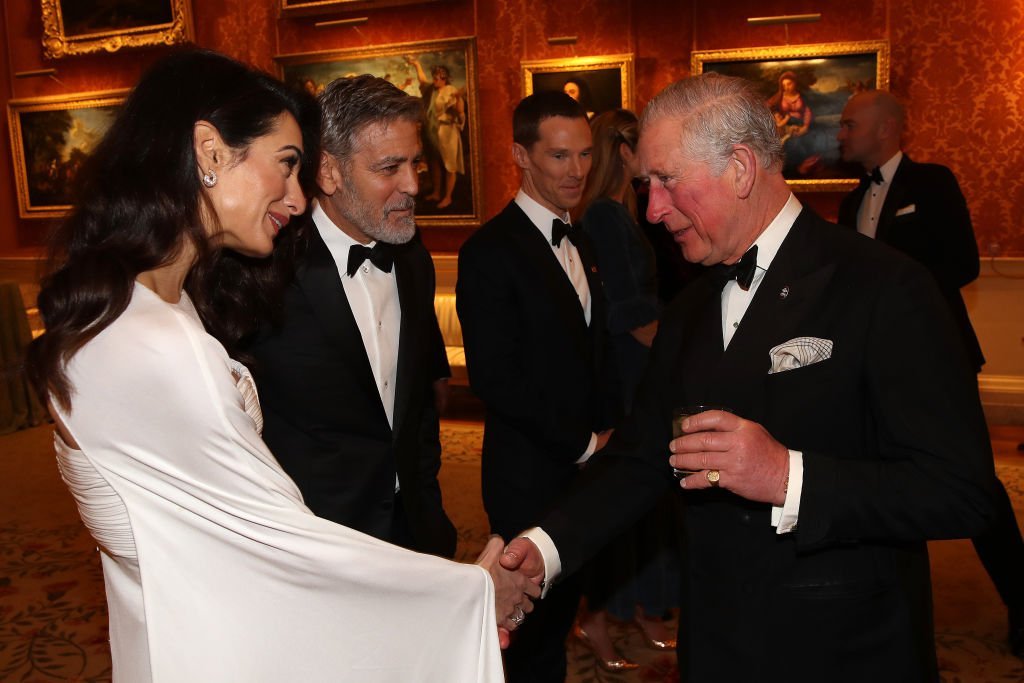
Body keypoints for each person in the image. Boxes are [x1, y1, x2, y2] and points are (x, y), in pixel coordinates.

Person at [25, 49, 538, 682]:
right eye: (287, 165)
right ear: (211, 153)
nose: (297, 200)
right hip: (220, 640)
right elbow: (278, 542)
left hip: (196, 622)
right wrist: (469, 593)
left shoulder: (155, 308)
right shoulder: (156, 341)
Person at [501, 73, 1000, 682]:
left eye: (666, 182)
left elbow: (959, 492)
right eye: (645, 186)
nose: (653, 209)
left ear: (739, 168)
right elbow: (639, 458)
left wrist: (787, 475)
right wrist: (542, 549)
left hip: (845, 651)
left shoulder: (886, 288)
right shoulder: (688, 310)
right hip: (717, 643)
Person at [837, 88, 1024, 658]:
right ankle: (889, 608)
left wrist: (896, 298)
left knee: (973, 481)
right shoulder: (849, 203)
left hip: (937, 357)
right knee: (883, 484)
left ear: (888, 128)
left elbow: (962, 262)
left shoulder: (933, 183)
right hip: (868, 366)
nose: (840, 134)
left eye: (850, 124)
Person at [245, 75, 457, 558]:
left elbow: (417, 404)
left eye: (416, 163)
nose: (413, 185)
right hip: (318, 541)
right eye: (390, 168)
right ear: (328, 173)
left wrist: (424, 495)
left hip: (415, 530)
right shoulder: (264, 270)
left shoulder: (412, 256)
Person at [456, 90, 611, 682]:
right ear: (521, 155)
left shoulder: (585, 239)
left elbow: (595, 353)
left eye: (586, 155)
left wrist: (609, 442)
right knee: (524, 636)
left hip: (584, 473)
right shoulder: (489, 251)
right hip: (526, 476)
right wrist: (585, 443)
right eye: (559, 156)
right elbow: (497, 379)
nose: (577, 171)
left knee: (560, 618)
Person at [573, 108, 678, 671]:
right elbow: (631, 311)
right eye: (645, 148)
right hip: (631, 364)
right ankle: (595, 616)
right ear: (625, 150)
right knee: (631, 489)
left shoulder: (620, 210)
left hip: (637, 360)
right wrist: (677, 358)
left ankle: (639, 606)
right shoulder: (606, 217)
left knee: (648, 493)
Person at [409, 57, 465, 210]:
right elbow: (422, 80)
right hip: (433, 132)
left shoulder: (451, 91)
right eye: (433, 77)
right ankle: (436, 193)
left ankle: (447, 197)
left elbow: (459, 111)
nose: (434, 80)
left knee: (449, 165)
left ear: (444, 78)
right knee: (434, 163)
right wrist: (416, 64)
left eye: (437, 77)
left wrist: (457, 100)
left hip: (447, 132)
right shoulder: (431, 91)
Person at [766, 70, 812, 143]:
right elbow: (767, 106)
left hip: (801, 125)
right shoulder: (779, 96)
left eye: (789, 84)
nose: (786, 87)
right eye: (784, 85)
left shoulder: (802, 97)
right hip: (785, 126)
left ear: (795, 83)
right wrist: (776, 115)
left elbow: (807, 112)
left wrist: (805, 127)